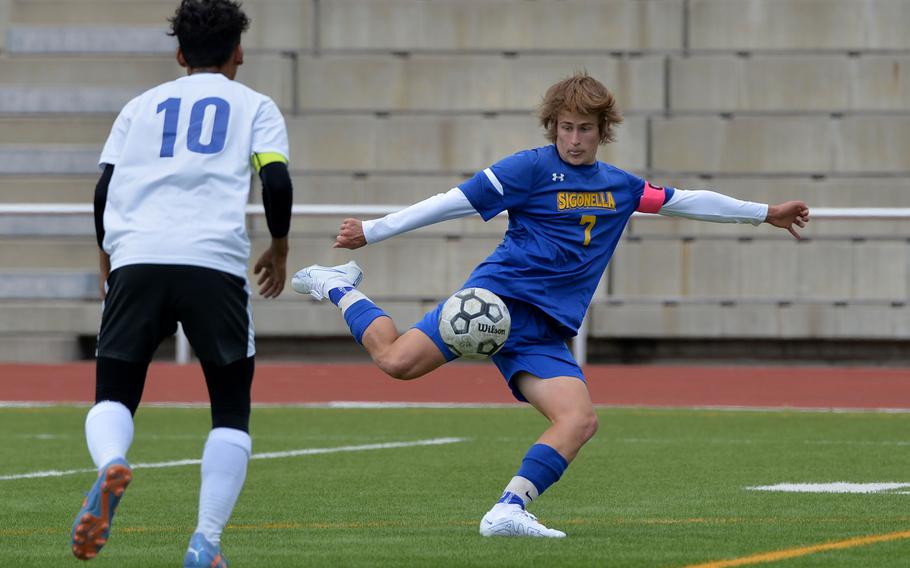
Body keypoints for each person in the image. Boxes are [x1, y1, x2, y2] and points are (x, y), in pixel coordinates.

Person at [292, 72, 809, 538]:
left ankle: (508, 510)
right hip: (495, 303)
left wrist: (767, 213)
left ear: (602, 131)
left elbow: (689, 201)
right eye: (565, 127)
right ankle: (338, 285)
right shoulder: (528, 170)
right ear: (552, 127)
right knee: (396, 363)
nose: (574, 139)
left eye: (585, 128)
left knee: (580, 420)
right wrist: (373, 232)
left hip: (545, 330)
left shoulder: (620, 187)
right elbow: (452, 202)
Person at [70, 1, 293, 565]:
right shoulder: (255, 106)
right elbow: (276, 179)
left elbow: (104, 188)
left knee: (114, 393)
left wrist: (107, 254)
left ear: (179, 54)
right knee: (230, 412)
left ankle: (112, 464)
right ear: (238, 51)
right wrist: (280, 246)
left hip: (138, 257)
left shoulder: (139, 107)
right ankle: (205, 543)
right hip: (212, 264)